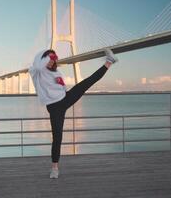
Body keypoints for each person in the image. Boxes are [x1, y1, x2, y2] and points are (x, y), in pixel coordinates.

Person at [29, 48, 118, 179]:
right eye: (49, 58)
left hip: (64, 100)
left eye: (54, 59)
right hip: (54, 108)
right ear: (43, 59)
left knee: (87, 82)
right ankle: (54, 168)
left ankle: (109, 62)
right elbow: (37, 63)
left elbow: (62, 87)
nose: (51, 61)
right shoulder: (36, 72)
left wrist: (62, 88)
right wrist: (49, 54)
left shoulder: (57, 73)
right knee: (57, 138)